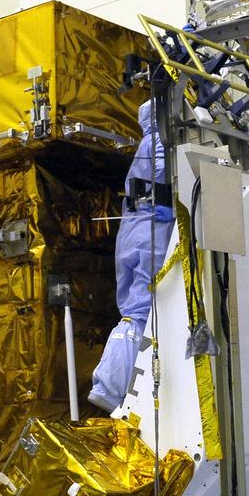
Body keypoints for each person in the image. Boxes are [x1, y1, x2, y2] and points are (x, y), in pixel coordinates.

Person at [88, 100, 175, 413]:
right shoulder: (161, 143)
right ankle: (110, 387)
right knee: (141, 313)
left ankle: (110, 387)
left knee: (134, 310)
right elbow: (169, 180)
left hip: (135, 233)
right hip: (151, 231)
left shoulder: (146, 145)